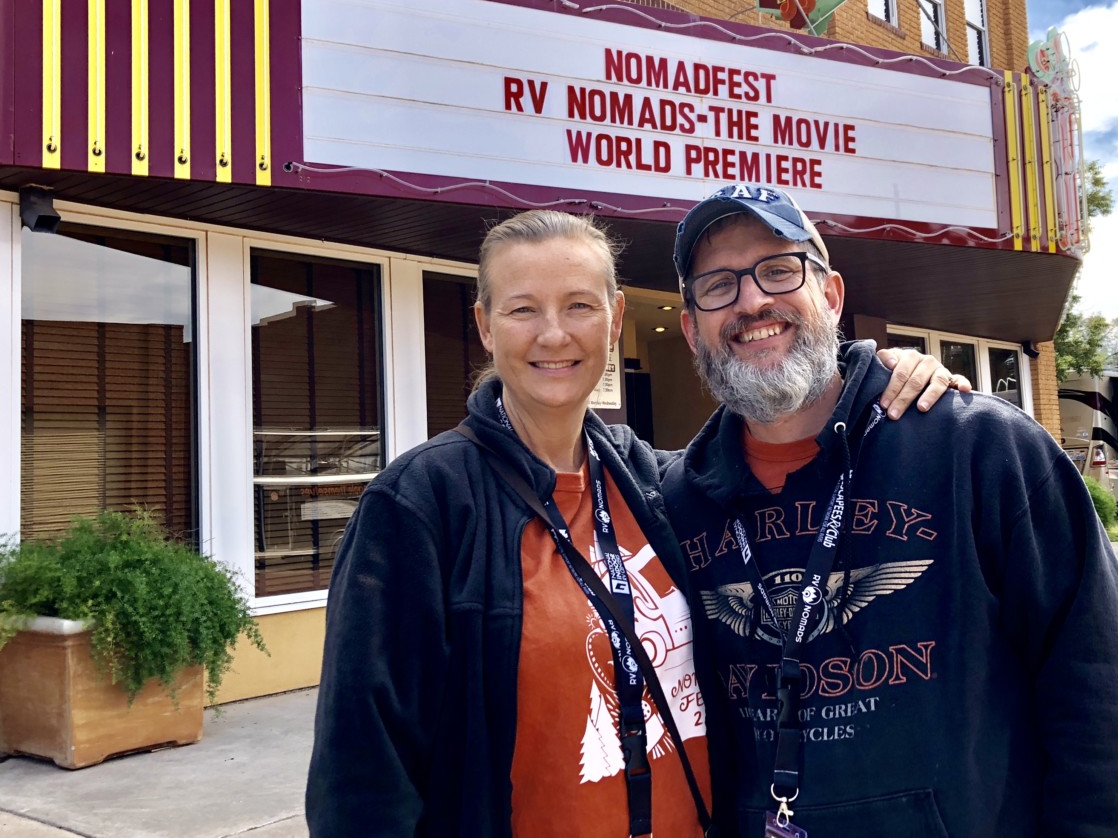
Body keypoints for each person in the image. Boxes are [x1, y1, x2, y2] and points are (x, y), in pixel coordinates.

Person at [305, 209, 962, 838]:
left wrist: (880, 378)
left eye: (579, 306)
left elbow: (794, 445)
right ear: (484, 326)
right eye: (523, 308)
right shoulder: (422, 506)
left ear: (617, 319)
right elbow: (362, 779)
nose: (554, 334)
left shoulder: (659, 483)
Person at [661, 183, 1118, 838]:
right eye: (718, 285)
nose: (752, 301)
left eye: (778, 270)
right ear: (692, 327)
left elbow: (1099, 698)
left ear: (830, 295)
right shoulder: (674, 501)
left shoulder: (979, 450)